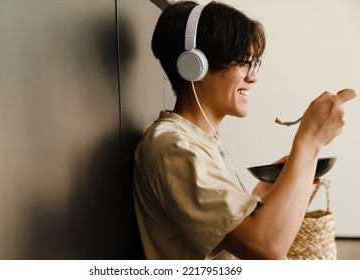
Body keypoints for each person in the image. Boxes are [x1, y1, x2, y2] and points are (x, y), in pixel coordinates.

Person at [133, 0, 356, 260]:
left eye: (254, 64)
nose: (253, 77)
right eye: (242, 62)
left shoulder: (196, 143)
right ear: (196, 65)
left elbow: (232, 240)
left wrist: (263, 193)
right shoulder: (174, 148)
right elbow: (267, 249)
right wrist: (309, 141)